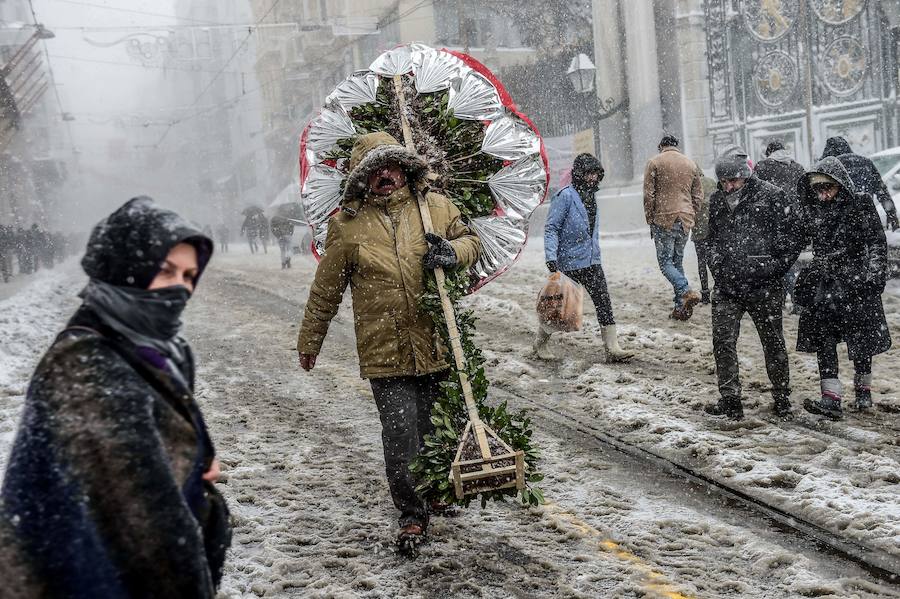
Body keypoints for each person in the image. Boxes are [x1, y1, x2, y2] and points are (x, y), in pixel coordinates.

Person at [0, 197, 231, 597]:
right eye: (165, 270)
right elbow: (146, 529)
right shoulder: (86, 366)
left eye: (189, 275)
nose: (180, 288)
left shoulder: (156, 348)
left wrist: (194, 466)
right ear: (124, 268)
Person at [296, 132, 480, 545]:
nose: (385, 175)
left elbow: (471, 240)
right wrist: (311, 341)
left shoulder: (434, 207)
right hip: (384, 347)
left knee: (437, 426)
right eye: (374, 170)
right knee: (400, 435)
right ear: (362, 179)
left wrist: (452, 252)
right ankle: (411, 513)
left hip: (435, 337)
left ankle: (435, 493)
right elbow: (325, 290)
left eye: (391, 166)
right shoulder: (347, 227)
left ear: (404, 168)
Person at [703, 149, 803, 420]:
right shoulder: (717, 200)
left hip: (764, 286)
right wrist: (717, 265)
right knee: (723, 342)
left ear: (746, 176)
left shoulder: (771, 196)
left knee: (772, 342)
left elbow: (794, 236)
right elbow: (710, 239)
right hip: (727, 286)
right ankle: (730, 399)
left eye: (733, 181)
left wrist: (773, 266)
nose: (728, 186)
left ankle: (781, 396)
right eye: (723, 182)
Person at [794, 158, 892, 420]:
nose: (823, 194)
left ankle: (863, 390)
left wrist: (874, 276)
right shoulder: (813, 209)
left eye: (828, 188)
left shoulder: (860, 204)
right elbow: (798, 239)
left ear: (840, 184)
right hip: (825, 282)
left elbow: (876, 242)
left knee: (861, 341)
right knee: (824, 339)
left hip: (856, 282)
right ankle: (831, 397)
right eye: (818, 189)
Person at [537, 153, 634, 362]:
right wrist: (551, 256)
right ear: (580, 174)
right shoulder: (565, 196)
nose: (593, 178)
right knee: (561, 308)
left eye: (596, 174)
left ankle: (612, 348)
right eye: (589, 174)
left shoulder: (592, 196)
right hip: (569, 262)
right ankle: (540, 343)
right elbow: (552, 227)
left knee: (603, 302)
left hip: (591, 261)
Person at [642, 135, 703, 320]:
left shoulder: (654, 162)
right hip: (685, 219)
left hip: (664, 218)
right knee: (677, 262)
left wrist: (650, 217)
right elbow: (698, 195)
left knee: (665, 263)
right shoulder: (690, 163)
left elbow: (649, 194)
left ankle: (685, 289)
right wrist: (691, 212)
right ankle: (680, 308)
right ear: (677, 146)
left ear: (661, 146)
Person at [755, 140, 807, 310]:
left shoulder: (762, 167)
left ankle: (796, 300)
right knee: (790, 259)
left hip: (773, 221)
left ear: (768, 153)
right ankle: (791, 298)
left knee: (781, 262)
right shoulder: (798, 168)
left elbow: (755, 193)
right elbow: (807, 195)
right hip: (796, 220)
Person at [820, 136, 899, 231]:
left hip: (842, 221)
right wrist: (891, 214)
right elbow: (881, 190)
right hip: (868, 215)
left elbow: (823, 197)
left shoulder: (830, 166)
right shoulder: (866, 162)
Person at [691, 161, 716, 304]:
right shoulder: (711, 182)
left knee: (702, 262)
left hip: (699, 230)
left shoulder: (691, 187)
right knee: (713, 260)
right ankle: (719, 288)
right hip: (712, 229)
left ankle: (705, 293)